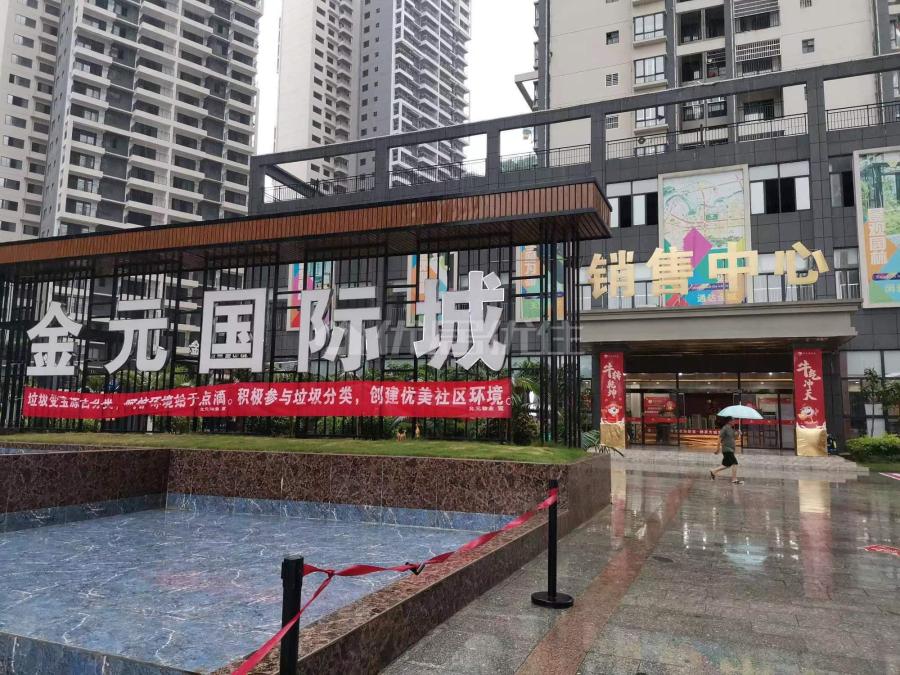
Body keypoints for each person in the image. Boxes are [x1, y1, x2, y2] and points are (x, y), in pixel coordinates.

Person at [710, 417, 743, 484]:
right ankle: (734, 479)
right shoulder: (724, 428)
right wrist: (717, 449)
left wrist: (738, 433)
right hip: (727, 449)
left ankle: (713, 471)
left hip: (731, 449)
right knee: (735, 463)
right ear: (729, 421)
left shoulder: (731, 429)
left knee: (726, 465)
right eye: (733, 420)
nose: (734, 422)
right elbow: (719, 439)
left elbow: (734, 438)